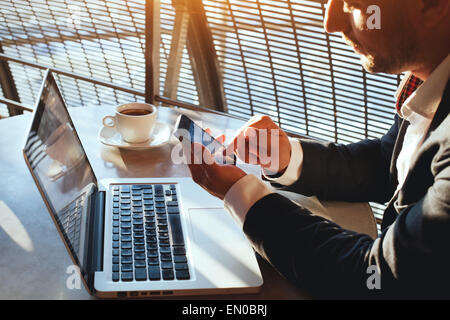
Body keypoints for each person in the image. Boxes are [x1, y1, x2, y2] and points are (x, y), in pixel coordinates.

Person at [182, 0, 450, 298]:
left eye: (353, 4)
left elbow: (376, 276)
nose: (331, 22)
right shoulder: (429, 80)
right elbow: (388, 163)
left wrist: (242, 195)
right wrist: (286, 158)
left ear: (433, 5)